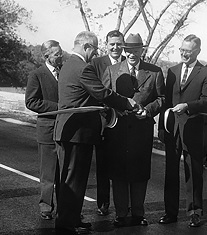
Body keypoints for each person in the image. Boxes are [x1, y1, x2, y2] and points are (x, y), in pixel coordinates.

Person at [53, 31, 138, 235]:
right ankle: (66, 223)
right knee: (73, 179)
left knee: (74, 178)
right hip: (77, 133)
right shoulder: (83, 68)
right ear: (87, 47)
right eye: (95, 48)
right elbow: (101, 92)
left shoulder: (67, 65)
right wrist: (127, 102)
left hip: (70, 131)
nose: (95, 53)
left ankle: (72, 218)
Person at [102, 33, 165, 227]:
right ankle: (121, 214)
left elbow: (162, 98)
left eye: (135, 51)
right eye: (128, 50)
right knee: (118, 173)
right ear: (124, 50)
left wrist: (148, 111)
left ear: (142, 51)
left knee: (139, 172)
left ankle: (138, 214)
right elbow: (103, 97)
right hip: (117, 131)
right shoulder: (112, 71)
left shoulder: (154, 72)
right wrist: (115, 110)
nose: (131, 54)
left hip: (142, 131)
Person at [158, 34, 207, 227]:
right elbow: (165, 103)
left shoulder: (206, 73)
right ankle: (170, 213)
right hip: (172, 129)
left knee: (194, 171)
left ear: (198, 51)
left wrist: (188, 106)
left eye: (188, 51)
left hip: (193, 129)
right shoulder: (172, 71)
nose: (183, 53)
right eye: (181, 50)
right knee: (170, 172)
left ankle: (195, 212)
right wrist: (161, 128)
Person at [25, 40, 62, 220]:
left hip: (65, 130)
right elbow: (31, 102)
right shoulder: (37, 74)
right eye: (57, 54)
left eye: (60, 52)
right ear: (47, 56)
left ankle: (65, 209)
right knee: (48, 174)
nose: (60, 56)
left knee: (64, 174)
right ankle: (46, 207)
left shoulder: (65, 73)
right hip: (47, 130)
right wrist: (58, 107)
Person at [90, 30, 125, 216]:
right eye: (112, 44)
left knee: (121, 165)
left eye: (119, 44)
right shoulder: (96, 63)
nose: (115, 47)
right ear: (106, 44)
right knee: (102, 164)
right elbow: (92, 89)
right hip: (103, 121)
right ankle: (103, 203)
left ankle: (123, 205)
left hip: (124, 123)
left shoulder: (129, 62)